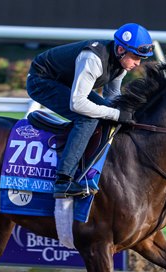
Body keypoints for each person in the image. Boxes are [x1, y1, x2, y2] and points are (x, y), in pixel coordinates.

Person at [26, 23, 154, 198]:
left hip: (65, 84)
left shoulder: (121, 64)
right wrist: (117, 114)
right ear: (120, 49)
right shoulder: (93, 59)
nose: (137, 63)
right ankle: (63, 180)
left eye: (141, 58)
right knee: (88, 118)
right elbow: (77, 104)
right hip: (41, 81)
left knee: (105, 112)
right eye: (135, 57)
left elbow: (112, 96)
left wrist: (123, 113)